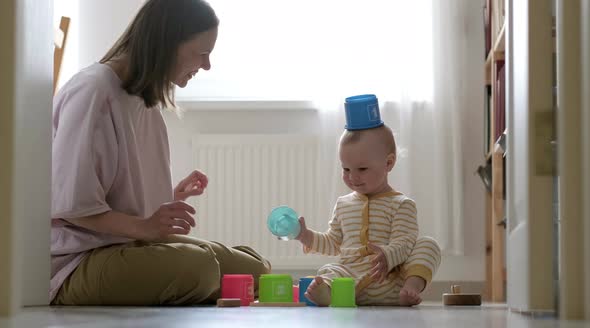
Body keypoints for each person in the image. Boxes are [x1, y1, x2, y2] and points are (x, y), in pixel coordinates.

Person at [50, 0, 270, 305]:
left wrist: (172, 197)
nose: (206, 66)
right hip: (79, 259)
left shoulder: (144, 100)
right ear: (167, 45)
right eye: (202, 53)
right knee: (202, 268)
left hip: (128, 242)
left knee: (254, 271)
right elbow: (74, 207)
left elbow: (126, 203)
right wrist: (143, 226)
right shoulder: (92, 91)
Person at [296, 120, 442, 306]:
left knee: (428, 245)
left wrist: (388, 255)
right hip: (349, 283)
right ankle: (330, 293)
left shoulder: (402, 204)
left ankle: (410, 288)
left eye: (362, 169)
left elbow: (405, 242)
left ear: (388, 163)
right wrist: (306, 236)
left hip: (389, 281)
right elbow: (333, 243)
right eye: (346, 169)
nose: (352, 177)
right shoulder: (343, 204)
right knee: (329, 269)